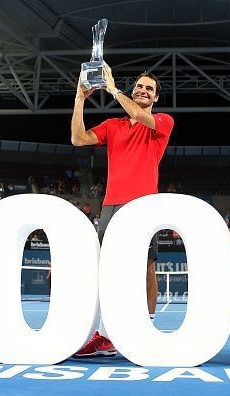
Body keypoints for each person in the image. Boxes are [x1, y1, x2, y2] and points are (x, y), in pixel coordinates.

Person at [70, 64, 174, 357]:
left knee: (146, 268)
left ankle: (147, 330)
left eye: (149, 89)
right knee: (108, 271)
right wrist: (80, 99)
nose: (143, 90)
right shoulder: (113, 126)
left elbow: (139, 115)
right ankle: (105, 336)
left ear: (155, 98)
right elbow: (78, 138)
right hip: (111, 205)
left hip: (142, 205)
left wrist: (112, 88)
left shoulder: (162, 121)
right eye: (139, 86)